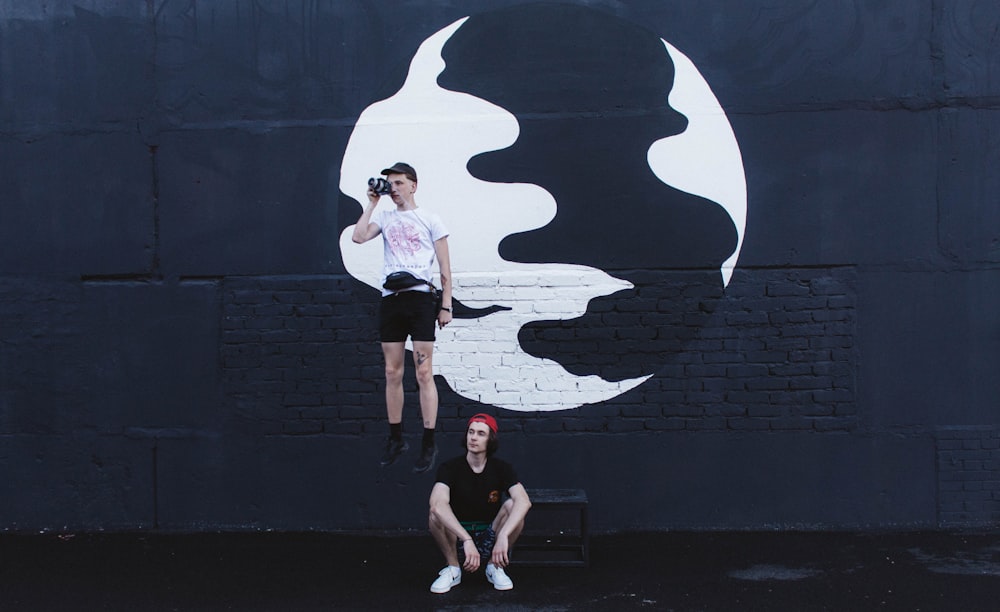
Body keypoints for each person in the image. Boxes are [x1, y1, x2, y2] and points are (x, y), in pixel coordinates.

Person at [352, 162, 453, 473]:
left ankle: (428, 440)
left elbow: (445, 266)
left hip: (421, 300)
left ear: (413, 185)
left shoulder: (430, 219)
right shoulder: (384, 216)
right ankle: (396, 437)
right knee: (392, 372)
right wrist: (371, 202)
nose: (393, 189)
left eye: (398, 183)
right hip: (392, 300)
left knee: (423, 373)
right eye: (389, 184)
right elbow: (358, 237)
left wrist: (445, 304)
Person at [428, 413, 532, 593]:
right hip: (459, 536)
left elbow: (524, 501)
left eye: (480, 434)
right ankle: (453, 568)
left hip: (489, 534)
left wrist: (503, 536)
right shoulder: (450, 468)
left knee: (513, 507)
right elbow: (437, 504)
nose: (474, 437)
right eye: (471, 432)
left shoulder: (501, 468)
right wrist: (466, 539)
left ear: (490, 439)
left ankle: (494, 566)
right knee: (435, 514)